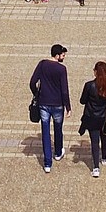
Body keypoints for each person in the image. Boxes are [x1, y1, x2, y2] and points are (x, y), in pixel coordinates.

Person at [30, 44, 72, 173]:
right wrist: (68, 107)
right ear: (57, 55)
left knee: (45, 132)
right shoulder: (61, 69)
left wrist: (36, 94)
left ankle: (47, 163)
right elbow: (64, 90)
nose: (64, 58)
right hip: (58, 104)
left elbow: (32, 82)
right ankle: (58, 152)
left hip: (43, 103)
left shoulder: (42, 64)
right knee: (58, 128)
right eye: (63, 55)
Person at [78, 61, 106, 177]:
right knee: (104, 137)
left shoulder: (89, 85)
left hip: (91, 117)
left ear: (95, 72)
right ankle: (104, 157)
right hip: (105, 117)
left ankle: (95, 167)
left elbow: (82, 101)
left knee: (95, 142)